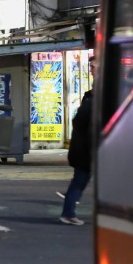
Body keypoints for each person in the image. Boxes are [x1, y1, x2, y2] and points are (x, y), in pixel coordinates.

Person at [60, 89, 93, 226]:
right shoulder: (91, 102)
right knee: (79, 183)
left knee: (79, 183)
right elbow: (90, 131)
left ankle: (68, 212)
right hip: (85, 153)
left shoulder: (88, 100)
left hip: (82, 152)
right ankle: (68, 213)